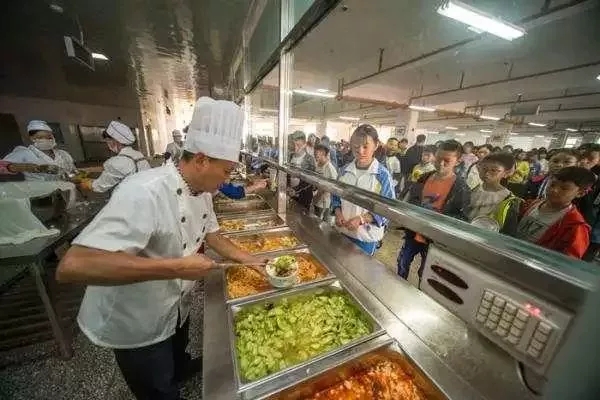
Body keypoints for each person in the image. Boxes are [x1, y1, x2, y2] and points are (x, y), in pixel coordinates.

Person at [56, 97, 266, 400]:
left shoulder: (202, 191)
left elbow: (214, 236)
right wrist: (177, 267)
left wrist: (251, 260)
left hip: (176, 304)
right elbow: (74, 265)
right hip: (137, 319)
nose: (227, 180)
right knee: (157, 388)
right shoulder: (144, 191)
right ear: (202, 160)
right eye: (226, 171)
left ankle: (180, 370)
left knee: (177, 355)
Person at [397, 140, 470, 280]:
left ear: (458, 161)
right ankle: (399, 284)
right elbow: (413, 200)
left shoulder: (461, 188)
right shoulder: (424, 178)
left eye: (447, 161)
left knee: (426, 271)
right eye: (438, 158)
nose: (441, 163)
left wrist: (440, 222)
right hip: (415, 230)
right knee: (403, 262)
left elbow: (462, 218)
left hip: (436, 238)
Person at [332, 124, 395, 256]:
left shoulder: (382, 175)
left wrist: (362, 219)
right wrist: (338, 213)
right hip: (342, 231)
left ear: (376, 145)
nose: (360, 151)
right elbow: (336, 197)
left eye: (366, 146)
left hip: (365, 237)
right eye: (356, 147)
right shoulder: (344, 171)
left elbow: (387, 209)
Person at [517, 166, 595, 259]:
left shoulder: (575, 226)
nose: (554, 190)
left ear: (580, 193)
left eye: (564, 188)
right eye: (552, 185)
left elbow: (568, 260)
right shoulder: (531, 205)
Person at [78, 121, 151, 193]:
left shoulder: (116, 162)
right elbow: (123, 168)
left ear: (116, 141)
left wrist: (87, 183)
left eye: (108, 141)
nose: (108, 144)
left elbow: (99, 186)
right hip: (145, 193)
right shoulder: (139, 155)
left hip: (129, 197)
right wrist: (90, 170)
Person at [3, 120, 76, 181]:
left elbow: (73, 172)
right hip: (39, 192)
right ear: (32, 138)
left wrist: (75, 176)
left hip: (65, 190)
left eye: (49, 137)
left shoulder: (63, 154)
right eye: (41, 137)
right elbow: (2, 166)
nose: (47, 140)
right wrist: (34, 168)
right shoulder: (25, 153)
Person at [466, 153, 520, 235]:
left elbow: (509, 231)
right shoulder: (473, 189)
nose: (487, 173)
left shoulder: (509, 200)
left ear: (506, 173)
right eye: (484, 169)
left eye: (494, 170)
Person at [288, 131, 316, 210]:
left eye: (298, 145)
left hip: (304, 196)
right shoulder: (290, 156)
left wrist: (296, 190)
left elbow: (309, 181)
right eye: (293, 145)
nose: (295, 148)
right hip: (291, 194)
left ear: (304, 144)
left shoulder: (310, 159)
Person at [313, 144, 338, 220]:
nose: (315, 157)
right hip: (316, 199)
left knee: (322, 222)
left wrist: (318, 196)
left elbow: (333, 186)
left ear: (323, 154)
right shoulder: (318, 165)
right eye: (314, 155)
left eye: (317, 155)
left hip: (324, 202)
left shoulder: (330, 168)